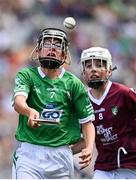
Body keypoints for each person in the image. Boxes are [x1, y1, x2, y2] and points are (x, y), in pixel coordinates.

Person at [12, 28, 95, 179]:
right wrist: (29, 111)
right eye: (47, 44)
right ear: (38, 51)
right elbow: (18, 102)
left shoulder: (73, 83)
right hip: (29, 153)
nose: (51, 48)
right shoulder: (27, 75)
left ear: (64, 54)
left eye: (57, 45)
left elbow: (87, 122)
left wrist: (89, 147)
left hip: (61, 155)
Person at [78, 46, 136, 179]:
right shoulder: (83, 101)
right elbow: (87, 139)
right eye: (88, 66)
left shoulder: (123, 93)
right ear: (83, 71)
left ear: (109, 70)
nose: (93, 69)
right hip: (105, 168)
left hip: (135, 163)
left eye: (99, 65)